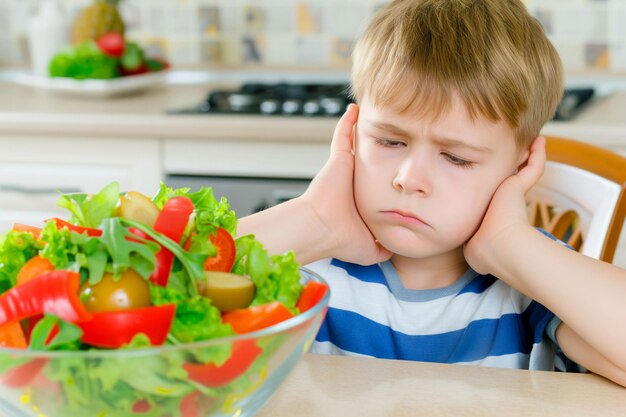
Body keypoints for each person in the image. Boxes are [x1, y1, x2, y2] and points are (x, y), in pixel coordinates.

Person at [239, 0, 626, 387]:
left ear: (521, 164)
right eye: (390, 141)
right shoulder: (308, 267)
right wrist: (313, 222)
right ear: (352, 131)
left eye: (456, 158)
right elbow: (178, 297)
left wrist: (510, 245)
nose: (409, 179)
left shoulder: (531, 281)